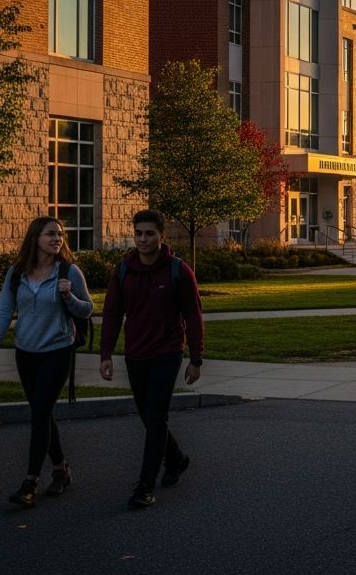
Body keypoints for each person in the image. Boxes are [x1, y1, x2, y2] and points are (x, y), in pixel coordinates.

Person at [0, 217, 93, 508]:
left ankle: (30, 481)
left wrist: (68, 296)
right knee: (41, 412)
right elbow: (4, 309)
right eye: (50, 234)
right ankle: (61, 470)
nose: (57, 238)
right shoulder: (17, 272)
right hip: (25, 352)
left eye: (60, 234)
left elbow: (87, 310)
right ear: (35, 238)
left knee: (40, 413)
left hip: (58, 350)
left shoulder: (69, 271)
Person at [99, 209, 204, 507]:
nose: (143, 239)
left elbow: (193, 316)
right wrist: (106, 354)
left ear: (162, 235)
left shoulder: (178, 270)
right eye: (139, 233)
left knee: (157, 415)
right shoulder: (122, 270)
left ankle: (145, 486)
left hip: (167, 351)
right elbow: (111, 314)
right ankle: (176, 459)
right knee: (149, 416)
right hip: (135, 353)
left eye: (149, 233)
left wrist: (196, 358)